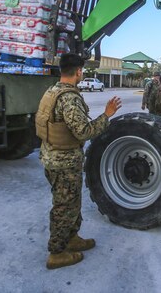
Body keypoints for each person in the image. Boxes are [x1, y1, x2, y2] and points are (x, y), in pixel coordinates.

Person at [35, 53, 122, 269]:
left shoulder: (52, 90)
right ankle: (57, 253)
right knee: (64, 206)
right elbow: (83, 131)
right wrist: (107, 115)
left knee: (71, 203)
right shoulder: (69, 98)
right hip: (63, 162)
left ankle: (71, 239)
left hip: (52, 156)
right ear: (79, 72)